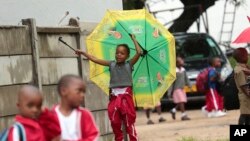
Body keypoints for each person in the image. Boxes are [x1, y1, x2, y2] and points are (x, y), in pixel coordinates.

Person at [75, 34, 141, 141]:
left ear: (127, 56)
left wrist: (134, 38)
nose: (119, 55)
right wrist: (83, 52)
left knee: (129, 122)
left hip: (126, 96)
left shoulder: (129, 64)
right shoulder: (111, 64)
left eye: (122, 53)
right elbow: (95, 59)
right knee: (115, 122)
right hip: (114, 96)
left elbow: (139, 52)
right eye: (117, 53)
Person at [50, 74, 99, 141]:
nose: (82, 95)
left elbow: (93, 136)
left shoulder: (84, 114)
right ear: (63, 91)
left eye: (84, 92)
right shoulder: (50, 116)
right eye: (79, 91)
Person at [169, 56, 191, 121]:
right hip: (177, 89)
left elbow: (186, 78)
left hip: (182, 88)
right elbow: (171, 83)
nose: (182, 62)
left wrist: (189, 85)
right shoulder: (174, 71)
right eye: (181, 61)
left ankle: (173, 110)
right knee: (181, 101)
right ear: (177, 63)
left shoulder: (183, 70)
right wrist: (169, 92)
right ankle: (183, 115)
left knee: (182, 102)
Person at [233, 48, 250, 125]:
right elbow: (243, 86)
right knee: (245, 117)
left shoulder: (245, 68)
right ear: (242, 57)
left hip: (247, 97)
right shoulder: (239, 70)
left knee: (246, 117)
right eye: (247, 55)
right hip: (246, 98)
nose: (248, 56)